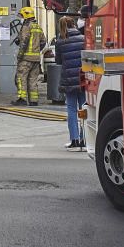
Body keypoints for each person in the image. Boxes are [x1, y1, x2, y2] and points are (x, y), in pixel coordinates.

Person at [55, 17, 87, 150]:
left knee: (71, 110)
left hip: (68, 79)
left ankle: (74, 140)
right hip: (82, 78)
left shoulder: (60, 41)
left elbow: (58, 61)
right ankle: (84, 139)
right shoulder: (83, 39)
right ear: (74, 24)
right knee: (84, 108)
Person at [13, 7, 45, 106]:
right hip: (35, 59)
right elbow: (43, 42)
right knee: (33, 79)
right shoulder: (38, 27)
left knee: (21, 78)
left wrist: (20, 56)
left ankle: (22, 99)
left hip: (26, 58)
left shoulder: (27, 26)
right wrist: (36, 51)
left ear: (26, 16)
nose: (21, 18)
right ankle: (33, 100)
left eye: (22, 16)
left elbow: (24, 42)